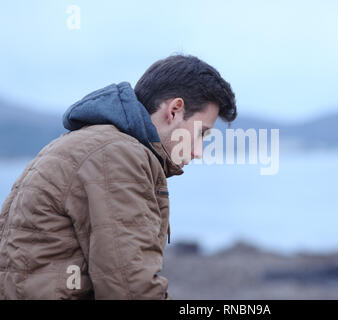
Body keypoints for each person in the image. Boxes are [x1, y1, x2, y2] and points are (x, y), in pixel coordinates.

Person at [0, 54, 237, 299]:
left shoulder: (94, 144)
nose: (198, 152)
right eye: (201, 134)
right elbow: (131, 290)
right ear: (175, 111)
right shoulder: (119, 156)